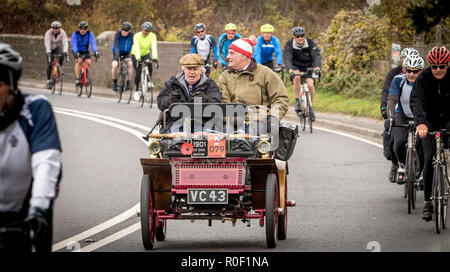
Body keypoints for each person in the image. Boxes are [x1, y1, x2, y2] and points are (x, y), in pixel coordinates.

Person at [0, 43, 62, 252]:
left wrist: (38, 211)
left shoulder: (35, 109)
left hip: (24, 212)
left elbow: (46, 163)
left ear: (11, 85)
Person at [217, 38, 289, 134]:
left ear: (243, 55)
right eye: (228, 53)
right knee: (221, 138)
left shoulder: (265, 73)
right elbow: (222, 101)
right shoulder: (225, 76)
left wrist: (273, 118)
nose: (227, 56)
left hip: (259, 120)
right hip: (232, 122)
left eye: (231, 53)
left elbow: (281, 98)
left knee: (255, 137)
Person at [411, 46, 450, 222]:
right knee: (428, 159)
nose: (438, 70)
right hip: (429, 122)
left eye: (442, 66)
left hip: (449, 120)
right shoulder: (423, 78)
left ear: (448, 64)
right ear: (430, 65)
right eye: (434, 66)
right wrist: (420, 122)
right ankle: (427, 202)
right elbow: (416, 101)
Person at [381, 47, 420, 183]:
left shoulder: (423, 79)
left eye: (415, 71)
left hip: (418, 115)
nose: (411, 73)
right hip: (400, 112)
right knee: (395, 138)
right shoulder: (396, 76)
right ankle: (397, 164)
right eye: (408, 70)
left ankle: (420, 170)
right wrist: (387, 111)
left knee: (422, 142)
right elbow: (388, 94)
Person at [157, 54, 221, 132]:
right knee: (172, 139)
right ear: (184, 70)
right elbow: (160, 102)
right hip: (176, 122)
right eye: (189, 69)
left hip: (203, 124)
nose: (192, 72)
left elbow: (217, 105)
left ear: (201, 70)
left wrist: (205, 100)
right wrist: (169, 100)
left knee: (209, 138)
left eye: (195, 69)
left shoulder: (210, 84)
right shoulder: (172, 83)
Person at [283, 26, 321, 121]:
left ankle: (310, 108)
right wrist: (290, 70)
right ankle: (296, 101)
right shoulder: (289, 44)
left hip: (308, 66)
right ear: (294, 37)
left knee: (310, 85)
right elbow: (287, 58)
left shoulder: (310, 42)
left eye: (302, 36)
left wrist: (317, 67)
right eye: (298, 36)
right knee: (296, 77)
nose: (300, 38)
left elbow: (316, 55)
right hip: (296, 66)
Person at [131, 22, 159, 100]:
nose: (145, 32)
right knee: (138, 71)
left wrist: (155, 58)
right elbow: (136, 47)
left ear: (149, 31)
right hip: (135, 54)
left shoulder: (152, 36)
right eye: (144, 30)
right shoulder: (137, 35)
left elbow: (154, 47)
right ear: (142, 29)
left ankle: (148, 82)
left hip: (146, 54)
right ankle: (136, 90)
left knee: (150, 66)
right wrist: (138, 58)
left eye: (147, 31)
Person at [71, 21, 99, 86]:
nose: (82, 30)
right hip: (77, 50)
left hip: (85, 50)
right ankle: (78, 79)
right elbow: (73, 44)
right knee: (79, 61)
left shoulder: (90, 34)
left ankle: (87, 78)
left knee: (89, 62)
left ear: (86, 29)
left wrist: (95, 51)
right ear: (79, 29)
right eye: (81, 29)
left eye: (84, 29)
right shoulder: (75, 34)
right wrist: (76, 52)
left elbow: (93, 43)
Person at [44, 21, 69, 89]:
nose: (55, 30)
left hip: (57, 47)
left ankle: (58, 69)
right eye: (54, 28)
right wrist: (48, 52)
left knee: (61, 55)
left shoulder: (62, 32)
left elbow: (65, 42)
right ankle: (49, 80)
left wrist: (65, 51)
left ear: (59, 28)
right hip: (49, 48)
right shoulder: (48, 33)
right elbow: (47, 43)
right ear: (52, 28)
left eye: (57, 28)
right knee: (50, 64)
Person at [111, 22, 134, 92]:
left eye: (126, 30)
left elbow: (134, 45)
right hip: (117, 52)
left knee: (130, 64)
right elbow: (116, 45)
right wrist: (117, 57)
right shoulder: (118, 34)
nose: (124, 31)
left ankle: (128, 82)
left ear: (129, 31)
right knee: (115, 66)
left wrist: (134, 56)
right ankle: (114, 82)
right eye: (123, 29)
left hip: (126, 53)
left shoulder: (132, 35)